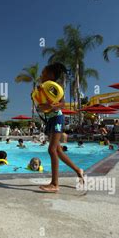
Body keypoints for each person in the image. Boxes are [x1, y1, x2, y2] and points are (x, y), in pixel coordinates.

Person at [35, 63, 85, 193]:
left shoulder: (56, 88)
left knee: (52, 150)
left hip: (57, 118)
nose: (42, 75)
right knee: (58, 151)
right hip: (50, 119)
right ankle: (78, 170)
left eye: (44, 72)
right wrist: (42, 103)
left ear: (51, 75)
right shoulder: (42, 88)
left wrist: (52, 106)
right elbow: (41, 106)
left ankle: (55, 184)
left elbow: (62, 104)